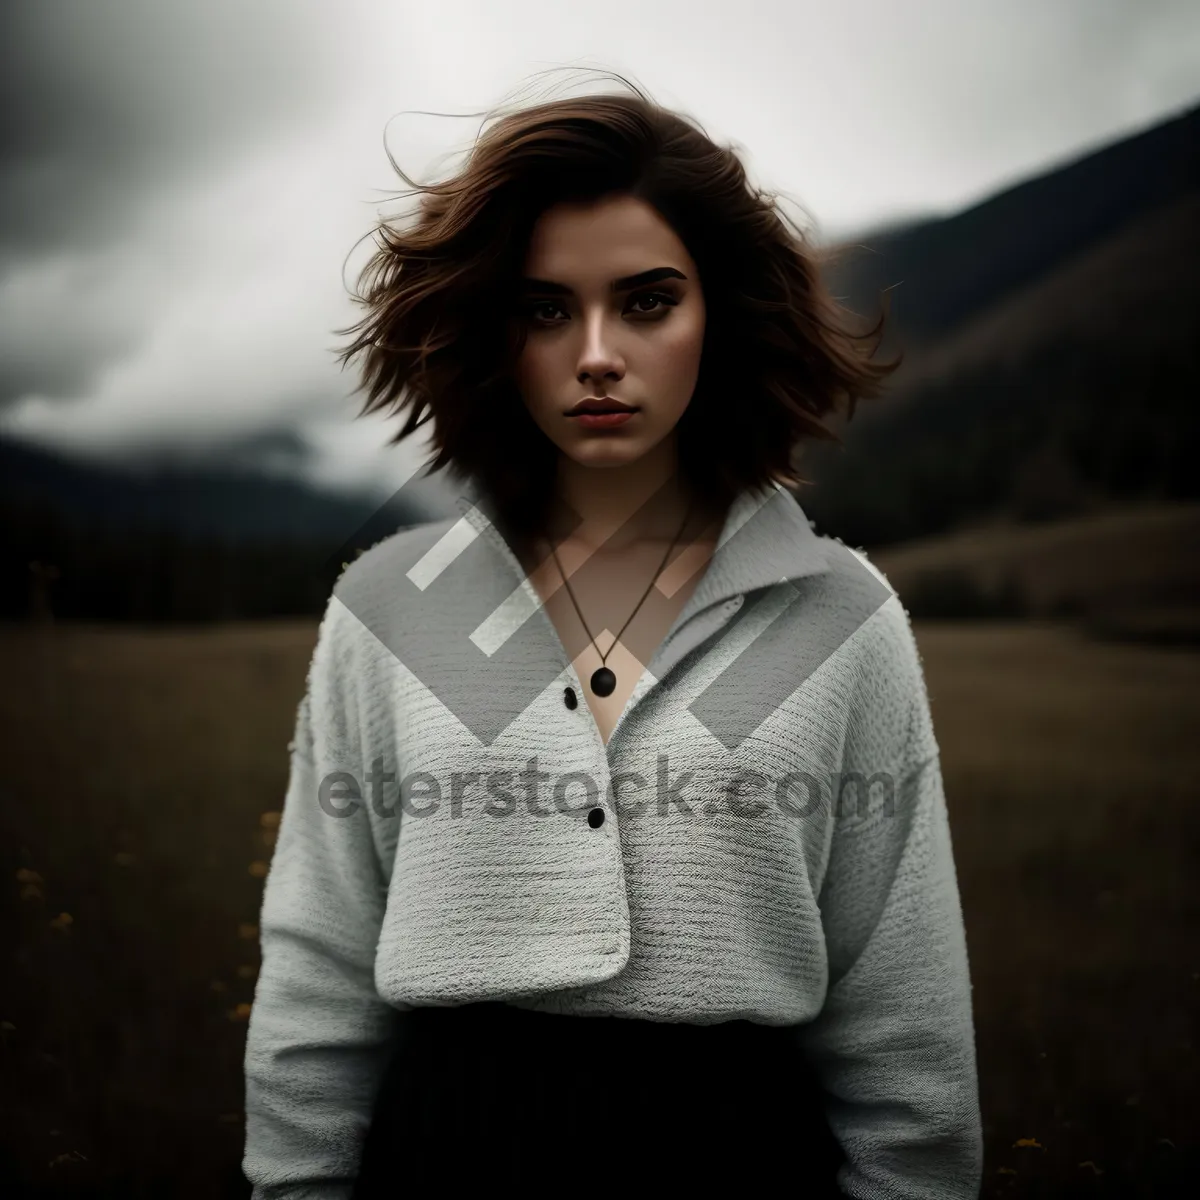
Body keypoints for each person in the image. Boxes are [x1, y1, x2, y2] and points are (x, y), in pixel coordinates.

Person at [242, 68, 983, 1199]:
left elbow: (905, 1006)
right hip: (445, 1158)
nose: (596, 351)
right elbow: (318, 971)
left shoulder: (842, 618)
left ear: (717, 317)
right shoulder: (387, 610)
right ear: (499, 333)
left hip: (741, 1158)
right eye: (546, 308)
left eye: (646, 301)